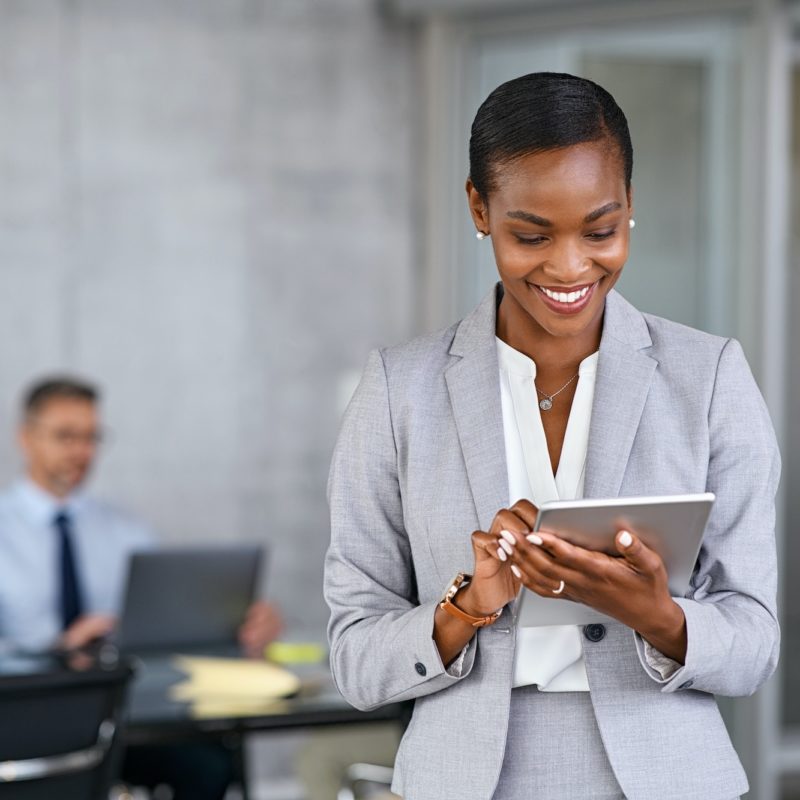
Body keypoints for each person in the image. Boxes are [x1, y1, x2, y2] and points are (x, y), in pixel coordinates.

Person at [324, 72, 780, 800]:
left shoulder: (711, 378)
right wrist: (465, 606)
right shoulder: (397, 392)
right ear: (479, 208)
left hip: (666, 778)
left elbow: (754, 646)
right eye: (531, 235)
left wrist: (658, 616)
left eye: (600, 230)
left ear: (630, 206)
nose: (570, 267)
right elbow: (354, 659)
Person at [0, 376, 282, 799]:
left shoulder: (127, 533)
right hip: (29, 723)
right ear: (26, 437)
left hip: (125, 720)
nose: (82, 452)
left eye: (92, 437)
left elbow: (168, 629)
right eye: (65, 437)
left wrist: (236, 627)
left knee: (208, 764)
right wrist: (60, 648)